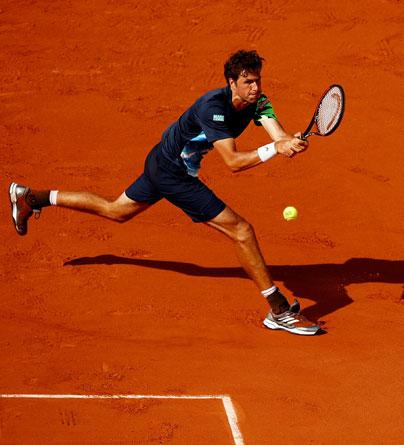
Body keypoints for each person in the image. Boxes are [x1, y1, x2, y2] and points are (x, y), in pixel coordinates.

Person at [9, 49, 320, 336]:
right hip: (173, 172)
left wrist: (287, 143)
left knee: (116, 210)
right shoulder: (214, 108)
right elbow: (233, 163)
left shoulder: (259, 102)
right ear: (232, 83)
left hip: (161, 161)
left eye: (257, 80)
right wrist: (274, 148)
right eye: (248, 82)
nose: (255, 87)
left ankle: (32, 197)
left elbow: (276, 134)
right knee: (241, 230)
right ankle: (278, 309)